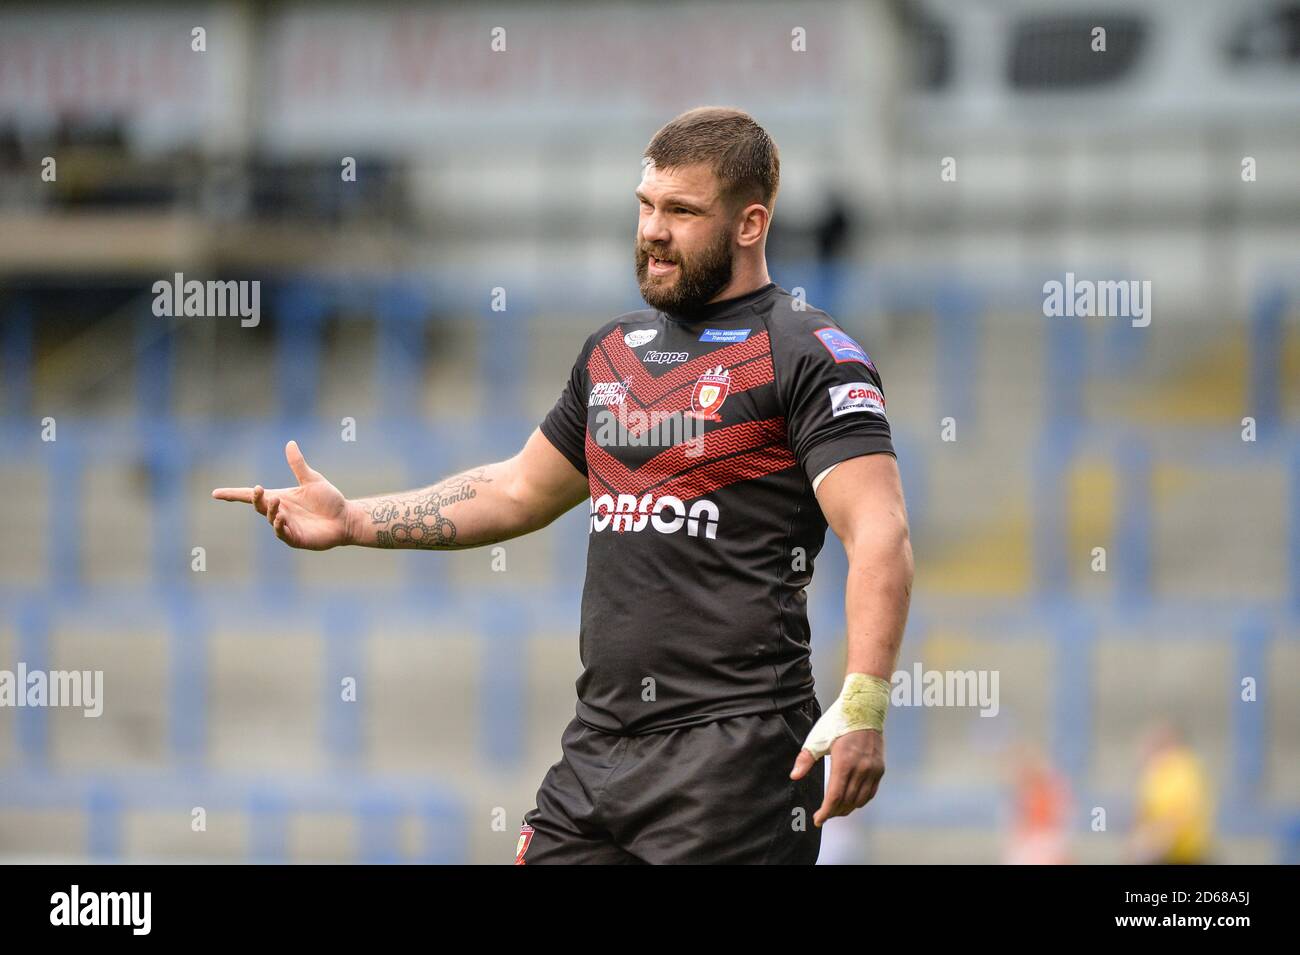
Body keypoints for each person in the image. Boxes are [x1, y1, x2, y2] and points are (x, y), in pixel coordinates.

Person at [213, 106, 914, 864]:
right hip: (599, 749)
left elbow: (879, 533)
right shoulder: (613, 353)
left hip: (736, 753)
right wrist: (353, 518)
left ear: (750, 224)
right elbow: (517, 489)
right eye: (646, 205)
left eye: (681, 211)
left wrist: (863, 705)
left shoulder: (807, 351)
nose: (652, 229)